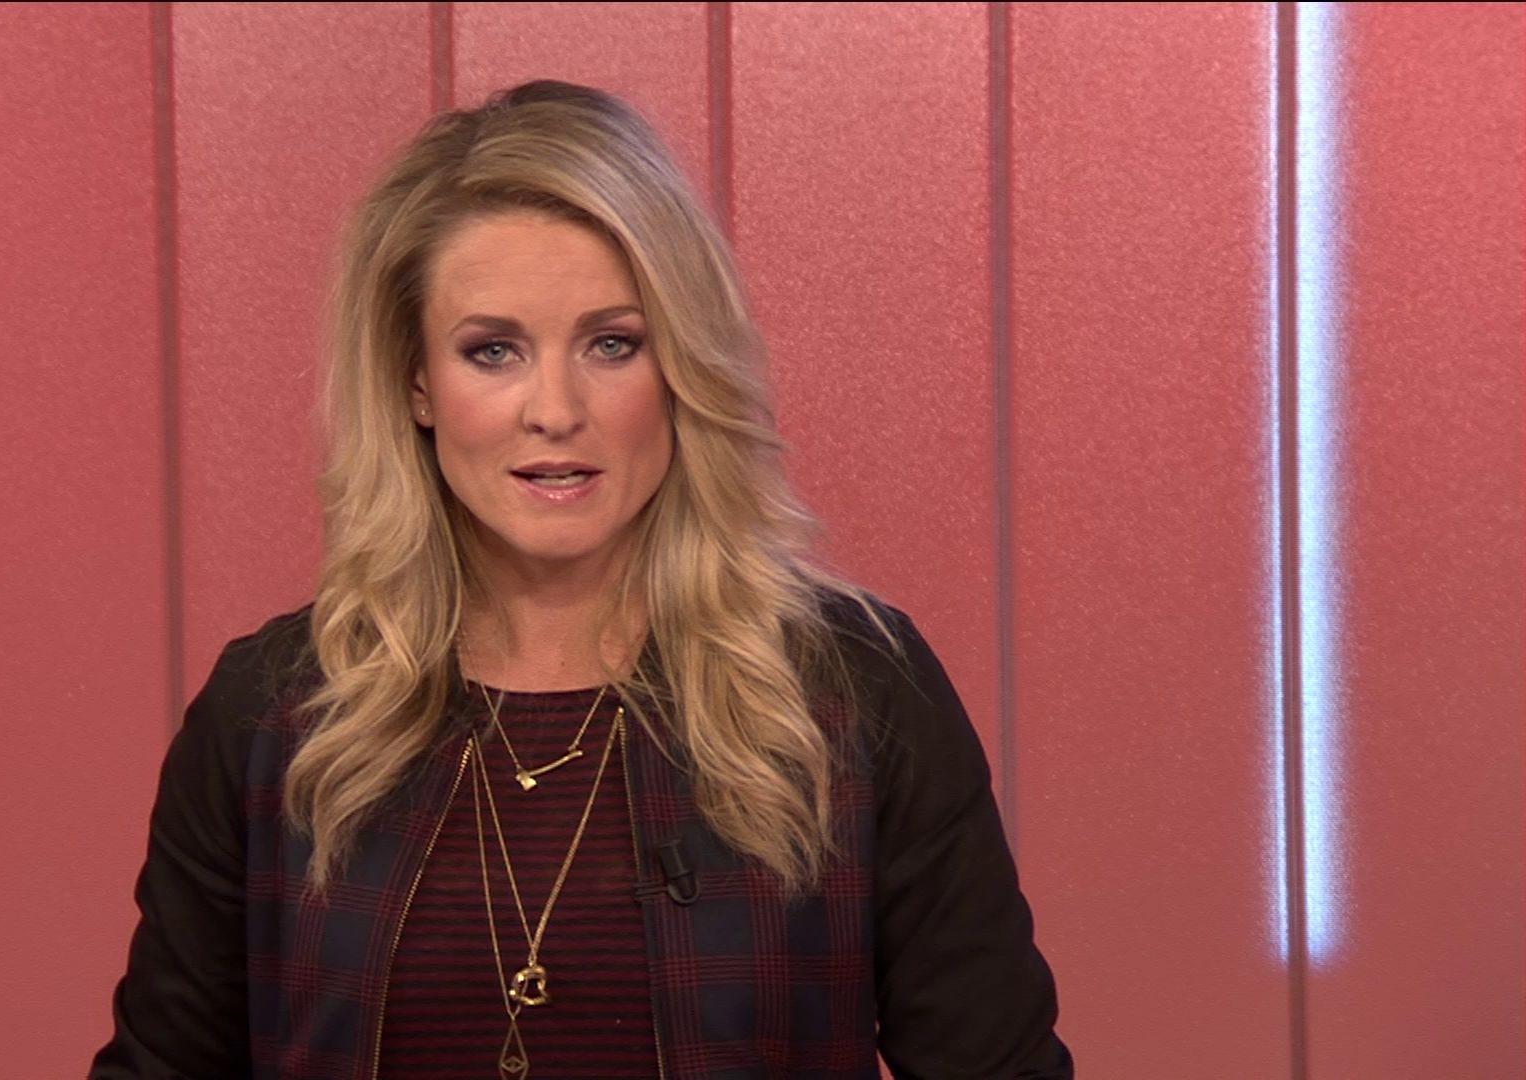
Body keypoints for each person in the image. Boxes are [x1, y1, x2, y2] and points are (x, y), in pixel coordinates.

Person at [89, 79, 1072, 1079]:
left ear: (680, 365)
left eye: (612, 344)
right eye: (493, 351)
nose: (555, 410)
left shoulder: (850, 692)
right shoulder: (273, 717)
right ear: (417, 383)